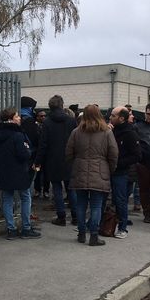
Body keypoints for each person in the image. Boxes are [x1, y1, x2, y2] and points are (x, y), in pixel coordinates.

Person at [66, 104, 118, 246]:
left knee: (81, 204)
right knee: (96, 205)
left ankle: (81, 233)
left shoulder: (76, 132)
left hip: (79, 170)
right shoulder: (107, 132)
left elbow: (68, 153)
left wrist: (75, 166)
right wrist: (110, 169)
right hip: (100, 171)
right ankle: (94, 236)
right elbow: (113, 154)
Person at [0, 107, 41, 239]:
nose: (19, 118)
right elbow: (23, 154)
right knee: (25, 196)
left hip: (4, 169)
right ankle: (26, 228)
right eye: (16, 116)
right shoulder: (18, 135)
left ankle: (11, 229)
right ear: (10, 119)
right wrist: (27, 150)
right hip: (19, 170)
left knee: (7, 198)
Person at [35, 95, 77, 226]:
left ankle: (61, 216)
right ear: (62, 105)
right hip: (69, 159)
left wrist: (38, 161)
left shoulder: (47, 122)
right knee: (71, 189)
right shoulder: (71, 121)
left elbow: (43, 144)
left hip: (53, 160)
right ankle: (76, 217)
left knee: (57, 188)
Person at [108, 106, 141, 238]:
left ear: (121, 118)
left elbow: (137, 155)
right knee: (103, 198)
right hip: (106, 170)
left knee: (120, 200)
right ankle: (97, 224)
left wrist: (119, 164)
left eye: (112, 116)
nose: (110, 118)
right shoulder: (110, 130)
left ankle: (122, 228)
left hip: (120, 172)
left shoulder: (130, 133)